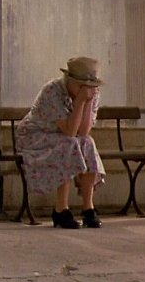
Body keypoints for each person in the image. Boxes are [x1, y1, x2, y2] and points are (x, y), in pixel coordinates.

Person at [15, 56, 107, 229]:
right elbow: (70, 130)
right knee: (69, 144)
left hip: (64, 138)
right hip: (36, 137)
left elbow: (83, 131)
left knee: (87, 142)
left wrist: (87, 102)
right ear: (69, 80)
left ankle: (88, 208)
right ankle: (61, 209)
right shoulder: (52, 91)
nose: (85, 90)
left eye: (90, 86)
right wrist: (80, 101)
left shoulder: (92, 94)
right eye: (81, 85)